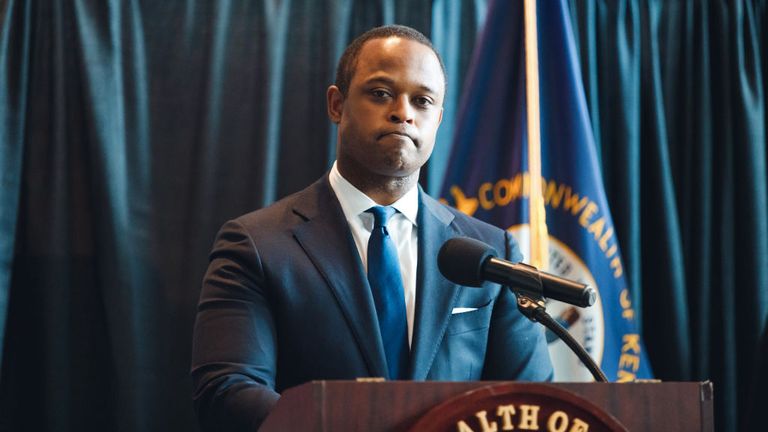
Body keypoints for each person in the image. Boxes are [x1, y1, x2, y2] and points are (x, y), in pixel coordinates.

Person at [190, 24, 553, 431]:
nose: (403, 112)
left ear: (438, 119)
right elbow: (228, 390)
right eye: (381, 93)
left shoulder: (490, 251)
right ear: (336, 104)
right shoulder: (257, 244)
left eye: (422, 100)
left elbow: (529, 403)